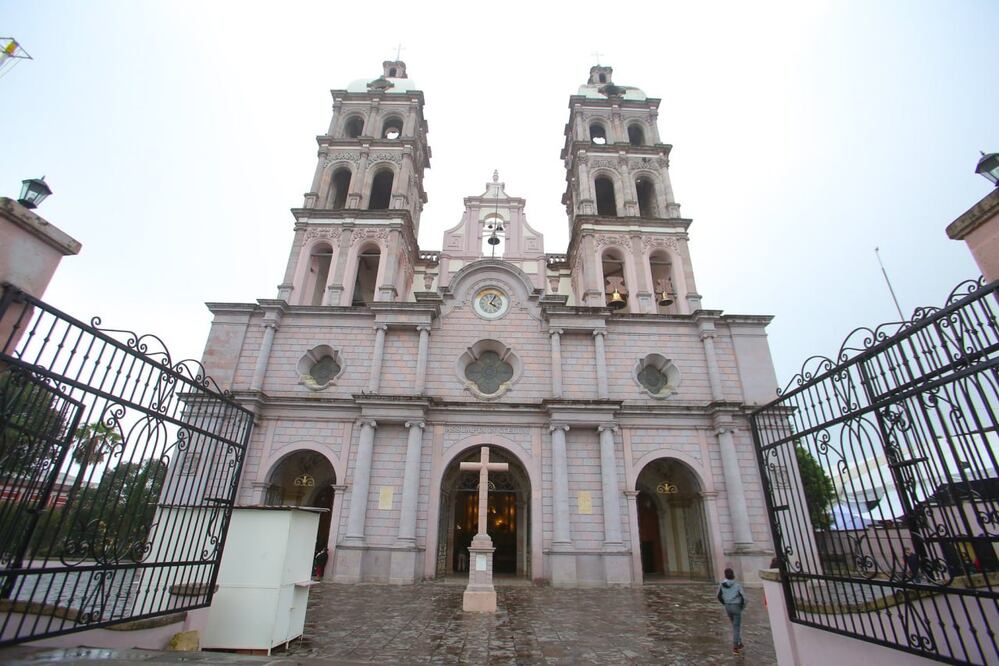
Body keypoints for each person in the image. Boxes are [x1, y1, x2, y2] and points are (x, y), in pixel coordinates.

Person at [717, 567, 746, 654]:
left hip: (728, 606)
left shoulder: (722, 584)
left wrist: (725, 603)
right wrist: (742, 607)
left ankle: (740, 643)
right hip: (736, 606)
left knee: (734, 625)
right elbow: (744, 598)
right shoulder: (737, 584)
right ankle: (735, 647)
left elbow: (718, 596)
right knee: (736, 627)